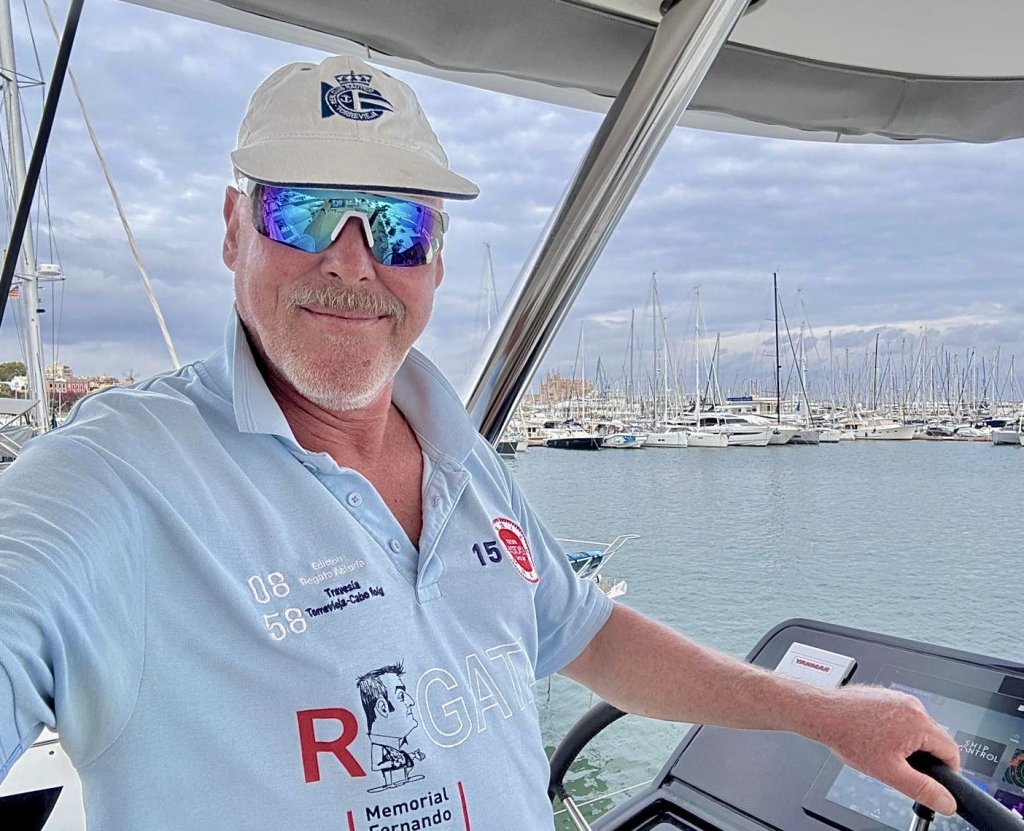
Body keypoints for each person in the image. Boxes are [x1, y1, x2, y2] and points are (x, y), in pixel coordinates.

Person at [0, 55, 960, 830]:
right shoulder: (114, 478)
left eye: (397, 226)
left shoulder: (462, 456)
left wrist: (822, 713)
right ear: (233, 227)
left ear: (436, 258)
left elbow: (588, 634)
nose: (351, 261)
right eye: (304, 209)